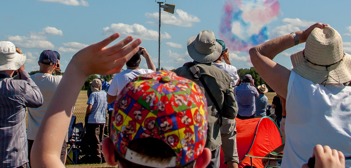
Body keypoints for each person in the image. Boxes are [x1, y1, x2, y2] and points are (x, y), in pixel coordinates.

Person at [30, 33, 212, 168]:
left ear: (109, 153)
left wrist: (78, 67)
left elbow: (44, 155)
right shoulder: (147, 71)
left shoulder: (120, 77)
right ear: (203, 160)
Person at [249, 24, 351, 168]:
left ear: (306, 60)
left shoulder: (296, 87)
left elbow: (257, 53)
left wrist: (301, 36)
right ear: (341, 60)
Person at [175, 30, 238, 168]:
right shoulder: (223, 76)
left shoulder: (179, 74)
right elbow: (232, 111)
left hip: (183, 136)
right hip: (210, 136)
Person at [27, 50, 66, 164]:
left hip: (33, 133)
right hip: (55, 134)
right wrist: (58, 71)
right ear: (55, 64)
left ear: (39, 62)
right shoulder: (58, 81)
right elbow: (64, 84)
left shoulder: (29, 81)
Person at [214, 39, 239, 168]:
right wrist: (227, 60)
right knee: (231, 156)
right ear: (223, 52)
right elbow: (235, 82)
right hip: (227, 114)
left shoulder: (207, 69)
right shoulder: (231, 69)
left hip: (212, 116)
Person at [82, 78, 108, 163]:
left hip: (93, 120)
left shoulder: (93, 95)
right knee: (101, 139)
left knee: (95, 140)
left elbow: (90, 106)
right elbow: (106, 106)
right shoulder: (104, 94)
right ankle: (103, 154)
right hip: (103, 119)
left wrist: (87, 114)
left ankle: (97, 157)